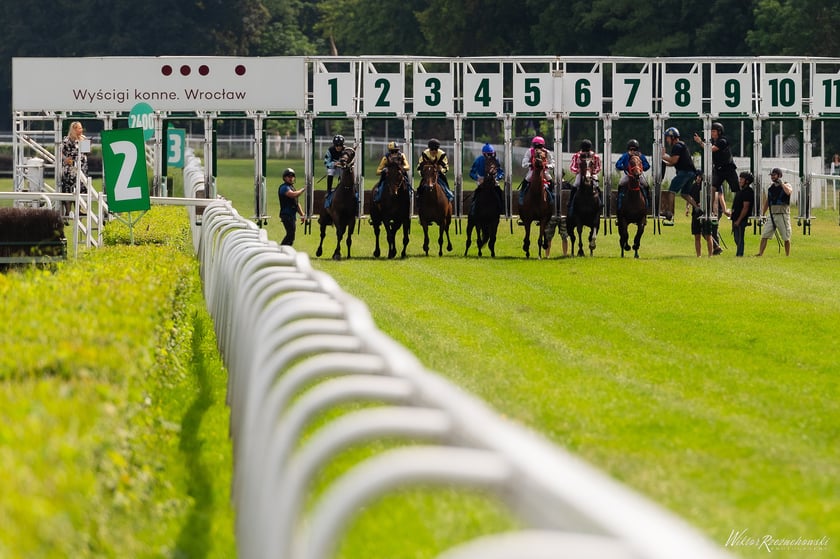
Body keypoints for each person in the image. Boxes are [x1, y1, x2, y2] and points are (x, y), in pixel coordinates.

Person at [693, 122, 738, 217]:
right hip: (718, 170)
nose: (712, 133)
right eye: (711, 131)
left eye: (713, 131)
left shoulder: (723, 141)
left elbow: (711, 149)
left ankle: (737, 208)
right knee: (712, 188)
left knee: (736, 189)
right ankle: (709, 209)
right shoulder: (712, 141)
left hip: (728, 168)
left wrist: (700, 142)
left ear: (719, 132)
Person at [662, 127, 702, 221]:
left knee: (671, 191)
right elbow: (673, 162)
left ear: (672, 137)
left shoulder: (677, 146)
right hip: (691, 173)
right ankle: (697, 208)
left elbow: (673, 160)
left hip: (685, 173)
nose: (667, 140)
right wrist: (665, 163)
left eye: (667, 137)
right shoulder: (681, 145)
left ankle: (669, 212)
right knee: (684, 194)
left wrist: (663, 156)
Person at [756, 168, 793, 257]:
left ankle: (787, 255)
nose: (772, 177)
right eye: (771, 175)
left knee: (786, 237)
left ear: (779, 176)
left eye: (774, 175)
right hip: (772, 214)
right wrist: (763, 213)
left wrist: (781, 184)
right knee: (764, 235)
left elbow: (788, 192)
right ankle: (760, 253)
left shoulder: (787, 185)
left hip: (782, 214)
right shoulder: (771, 188)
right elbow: (768, 202)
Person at [567, 139, 602, 218]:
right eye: (584, 150)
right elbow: (572, 167)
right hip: (581, 174)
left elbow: (599, 167)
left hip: (591, 174)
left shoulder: (595, 156)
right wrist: (578, 170)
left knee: (596, 185)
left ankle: (600, 203)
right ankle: (570, 202)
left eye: (587, 150)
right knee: (575, 184)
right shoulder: (577, 155)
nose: (586, 152)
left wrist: (593, 172)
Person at [60, 121, 88, 218]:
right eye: (79, 128)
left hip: (82, 167)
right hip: (70, 168)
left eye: (81, 128)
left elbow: (87, 152)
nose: (81, 130)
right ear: (74, 129)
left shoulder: (83, 139)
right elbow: (60, 152)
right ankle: (68, 212)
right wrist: (65, 159)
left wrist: (86, 144)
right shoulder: (66, 140)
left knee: (82, 188)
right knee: (69, 187)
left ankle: (79, 209)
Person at [468, 143, 505, 215]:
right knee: (475, 195)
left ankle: (501, 209)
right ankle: (472, 211)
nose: (489, 156)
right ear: (483, 154)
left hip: (493, 181)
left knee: (499, 192)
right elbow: (471, 173)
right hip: (482, 181)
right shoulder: (478, 160)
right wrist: (478, 178)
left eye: (491, 154)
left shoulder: (496, 160)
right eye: (488, 154)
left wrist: (497, 178)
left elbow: (501, 172)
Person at [615, 139, 651, 211]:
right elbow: (617, 165)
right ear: (628, 149)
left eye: (634, 149)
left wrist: (639, 168)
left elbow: (647, 165)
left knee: (646, 185)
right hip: (629, 176)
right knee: (620, 184)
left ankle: (647, 204)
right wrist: (624, 167)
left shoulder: (641, 156)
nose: (633, 151)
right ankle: (619, 204)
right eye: (631, 149)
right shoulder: (625, 156)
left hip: (639, 176)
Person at [519, 135, 555, 205]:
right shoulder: (529, 151)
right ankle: (521, 195)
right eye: (536, 146)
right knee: (527, 178)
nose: (538, 148)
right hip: (533, 170)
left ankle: (551, 196)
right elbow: (524, 163)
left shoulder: (547, 152)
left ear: (543, 146)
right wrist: (530, 164)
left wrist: (547, 166)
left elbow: (553, 163)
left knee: (550, 179)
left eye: (539, 146)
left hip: (544, 170)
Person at [688, 171, 714, 257]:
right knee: (697, 235)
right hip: (695, 213)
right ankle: (698, 255)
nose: (698, 178)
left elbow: (711, 198)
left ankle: (710, 255)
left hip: (705, 213)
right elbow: (689, 197)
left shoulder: (707, 187)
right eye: (697, 177)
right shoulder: (692, 186)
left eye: (700, 177)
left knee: (708, 235)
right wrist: (687, 208)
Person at [278, 168, 305, 246]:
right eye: (288, 176)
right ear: (284, 178)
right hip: (286, 215)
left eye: (292, 176)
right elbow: (293, 195)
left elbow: (296, 203)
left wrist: (302, 214)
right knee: (290, 235)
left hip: (291, 216)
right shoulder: (284, 187)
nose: (291, 178)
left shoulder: (291, 187)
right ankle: (281, 250)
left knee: (291, 236)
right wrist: (303, 189)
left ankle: (285, 250)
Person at [730, 171, 755, 257]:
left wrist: (739, 220)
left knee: (740, 238)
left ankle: (739, 254)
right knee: (736, 238)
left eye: (742, 179)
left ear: (747, 181)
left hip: (741, 219)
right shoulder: (740, 190)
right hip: (735, 217)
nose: (740, 180)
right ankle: (739, 253)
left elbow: (746, 207)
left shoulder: (748, 192)